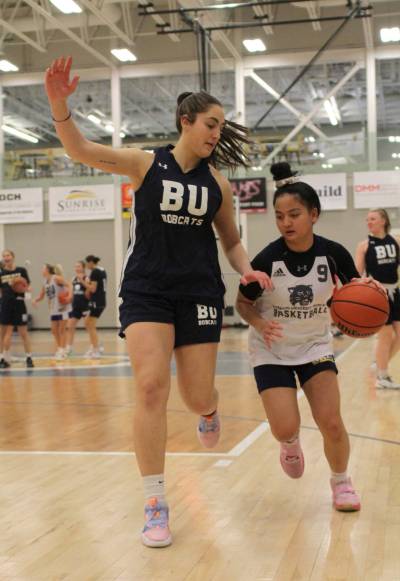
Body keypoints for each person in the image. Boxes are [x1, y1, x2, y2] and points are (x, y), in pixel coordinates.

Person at [45, 56, 271, 547]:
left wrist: (246, 267)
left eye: (221, 127)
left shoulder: (219, 185)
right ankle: (155, 501)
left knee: (195, 396)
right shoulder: (145, 163)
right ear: (185, 122)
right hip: (147, 289)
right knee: (150, 388)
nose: (216, 133)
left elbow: (230, 241)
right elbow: (79, 149)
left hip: (199, 292)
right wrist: (59, 104)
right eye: (210, 124)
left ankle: (208, 410)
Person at [236, 162, 369, 513]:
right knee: (285, 426)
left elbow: (355, 291)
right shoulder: (266, 258)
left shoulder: (334, 254)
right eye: (280, 216)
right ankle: (289, 442)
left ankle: (341, 482)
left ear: (314, 214)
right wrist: (259, 324)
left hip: (315, 345)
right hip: (271, 349)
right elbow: (241, 303)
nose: (286, 223)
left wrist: (368, 296)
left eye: (294, 214)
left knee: (332, 422)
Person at [355, 209, 400, 389]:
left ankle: (380, 364)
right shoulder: (364, 246)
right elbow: (356, 273)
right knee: (386, 336)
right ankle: (382, 376)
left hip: (395, 292)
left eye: (373, 219)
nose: (369, 222)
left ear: (383, 221)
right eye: (367, 219)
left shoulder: (396, 241)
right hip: (378, 295)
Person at [0, 249, 34, 368]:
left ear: (13, 256)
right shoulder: (1, 273)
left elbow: (27, 286)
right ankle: (3, 358)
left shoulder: (21, 270)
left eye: (8, 255)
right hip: (6, 305)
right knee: (4, 333)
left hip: (19, 304)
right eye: (4, 256)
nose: (6, 257)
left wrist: (25, 289)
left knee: (23, 333)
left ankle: (29, 357)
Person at [32, 264, 72, 359]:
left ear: (48, 270)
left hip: (63, 307)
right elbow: (42, 296)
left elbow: (69, 285)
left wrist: (69, 296)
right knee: (54, 330)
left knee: (62, 329)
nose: (41, 270)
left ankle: (62, 351)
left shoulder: (56, 278)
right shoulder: (45, 281)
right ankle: (60, 348)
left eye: (43, 268)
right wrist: (35, 300)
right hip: (53, 309)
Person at [65, 260, 90, 355]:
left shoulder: (86, 278)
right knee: (70, 326)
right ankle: (69, 348)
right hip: (75, 306)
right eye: (75, 266)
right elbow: (71, 294)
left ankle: (95, 345)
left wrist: (82, 280)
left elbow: (89, 292)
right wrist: (67, 299)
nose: (77, 268)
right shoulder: (73, 279)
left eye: (78, 266)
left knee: (89, 327)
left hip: (85, 306)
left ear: (83, 267)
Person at [84, 255, 107, 359]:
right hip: (101, 300)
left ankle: (96, 349)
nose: (86, 265)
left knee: (90, 324)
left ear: (91, 262)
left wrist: (83, 282)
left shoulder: (95, 271)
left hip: (96, 301)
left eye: (87, 263)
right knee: (88, 323)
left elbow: (93, 289)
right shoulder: (102, 270)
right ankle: (96, 344)